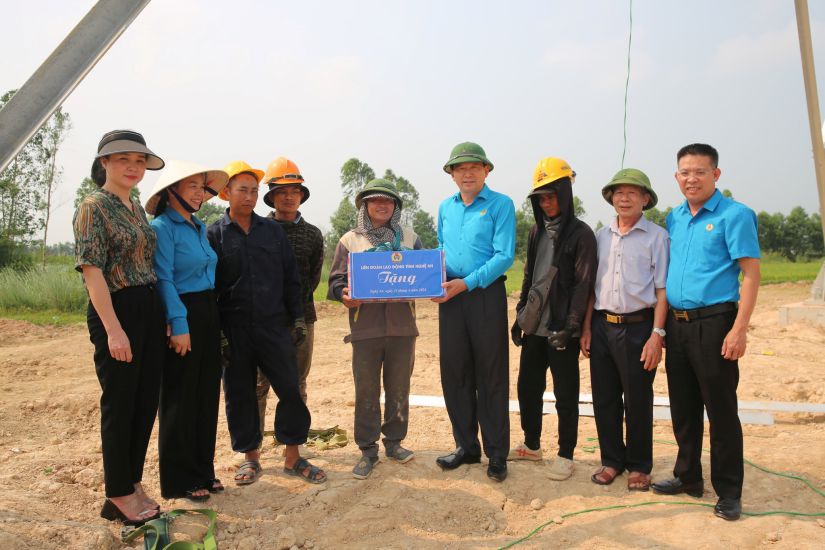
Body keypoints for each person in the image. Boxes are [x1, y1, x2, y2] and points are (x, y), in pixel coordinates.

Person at [651, 144, 760, 521]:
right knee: (683, 407)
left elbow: (750, 275)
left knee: (721, 410)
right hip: (678, 326)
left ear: (716, 174)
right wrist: (661, 329)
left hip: (715, 325)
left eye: (699, 171)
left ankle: (729, 492)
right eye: (684, 172)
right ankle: (688, 477)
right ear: (676, 177)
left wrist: (739, 329)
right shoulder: (675, 218)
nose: (691, 178)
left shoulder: (736, 215)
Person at [207, 161, 326, 485]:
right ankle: (251, 458)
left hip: (275, 326)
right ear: (226, 193)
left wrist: (298, 319)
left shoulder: (271, 232)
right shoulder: (215, 235)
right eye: (242, 190)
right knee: (241, 392)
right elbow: (210, 287)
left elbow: (292, 279)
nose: (249, 196)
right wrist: (218, 333)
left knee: (290, 388)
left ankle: (293, 456)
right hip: (235, 329)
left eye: (253, 190)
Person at [73, 129, 165, 526]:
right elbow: (92, 271)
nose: (133, 166)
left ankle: (132, 481)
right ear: (105, 163)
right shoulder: (93, 206)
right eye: (124, 159)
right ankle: (118, 493)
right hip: (116, 308)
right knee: (120, 403)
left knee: (145, 402)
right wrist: (113, 329)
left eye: (140, 160)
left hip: (147, 305)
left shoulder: (137, 206)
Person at [580, 168, 669, 491]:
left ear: (645, 199)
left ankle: (639, 465)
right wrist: (587, 328)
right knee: (604, 399)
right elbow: (592, 288)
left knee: (637, 399)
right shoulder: (601, 236)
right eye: (619, 193)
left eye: (633, 193)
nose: (625, 198)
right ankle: (612, 461)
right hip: (603, 325)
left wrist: (657, 335)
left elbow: (662, 292)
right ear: (611, 198)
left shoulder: (656, 237)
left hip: (638, 327)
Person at [328, 179, 422, 479]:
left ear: (395, 207)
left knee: (399, 388)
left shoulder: (410, 239)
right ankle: (368, 450)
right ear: (364, 206)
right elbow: (335, 281)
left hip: (403, 328)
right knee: (366, 390)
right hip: (365, 329)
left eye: (388, 201)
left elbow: (425, 272)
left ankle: (394, 443)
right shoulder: (350, 241)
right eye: (375, 201)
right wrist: (344, 294)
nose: (382, 205)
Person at [146, 161, 229, 502]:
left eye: (203, 187)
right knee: (180, 396)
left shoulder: (198, 227)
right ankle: (180, 479)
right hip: (183, 313)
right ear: (171, 191)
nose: (200, 193)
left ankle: (203, 471)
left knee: (206, 394)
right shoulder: (162, 227)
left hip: (208, 312)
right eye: (192, 186)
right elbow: (163, 277)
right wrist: (178, 324)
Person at [433, 142, 515, 482]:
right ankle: (466, 447)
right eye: (460, 168)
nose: (467, 173)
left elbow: (504, 255)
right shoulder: (444, 208)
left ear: (486, 171)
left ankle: (496, 454)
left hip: (484, 294)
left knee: (491, 375)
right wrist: (432, 279)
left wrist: (467, 283)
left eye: (474, 167)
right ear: (451, 175)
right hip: (450, 297)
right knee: (455, 373)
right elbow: (439, 247)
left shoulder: (501, 205)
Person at [510, 157, 596, 481]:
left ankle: (566, 454)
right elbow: (530, 275)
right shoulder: (536, 232)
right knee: (527, 388)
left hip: (562, 328)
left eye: (551, 195)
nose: (546, 203)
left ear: (565, 191)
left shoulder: (582, 235)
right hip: (535, 326)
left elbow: (583, 283)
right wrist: (520, 316)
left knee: (565, 394)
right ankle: (532, 444)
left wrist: (572, 326)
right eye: (540, 198)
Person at [256, 157, 324, 444]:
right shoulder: (256, 230)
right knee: (259, 384)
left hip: (302, 318)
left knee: (296, 383)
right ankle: (253, 443)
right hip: (261, 321)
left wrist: (294, 309)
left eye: (294, 191)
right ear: (271, 197)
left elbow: (313, 279)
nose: (288, 196)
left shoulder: (312, 234)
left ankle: (293, 443)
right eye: (282, 192)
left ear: (301, 195)